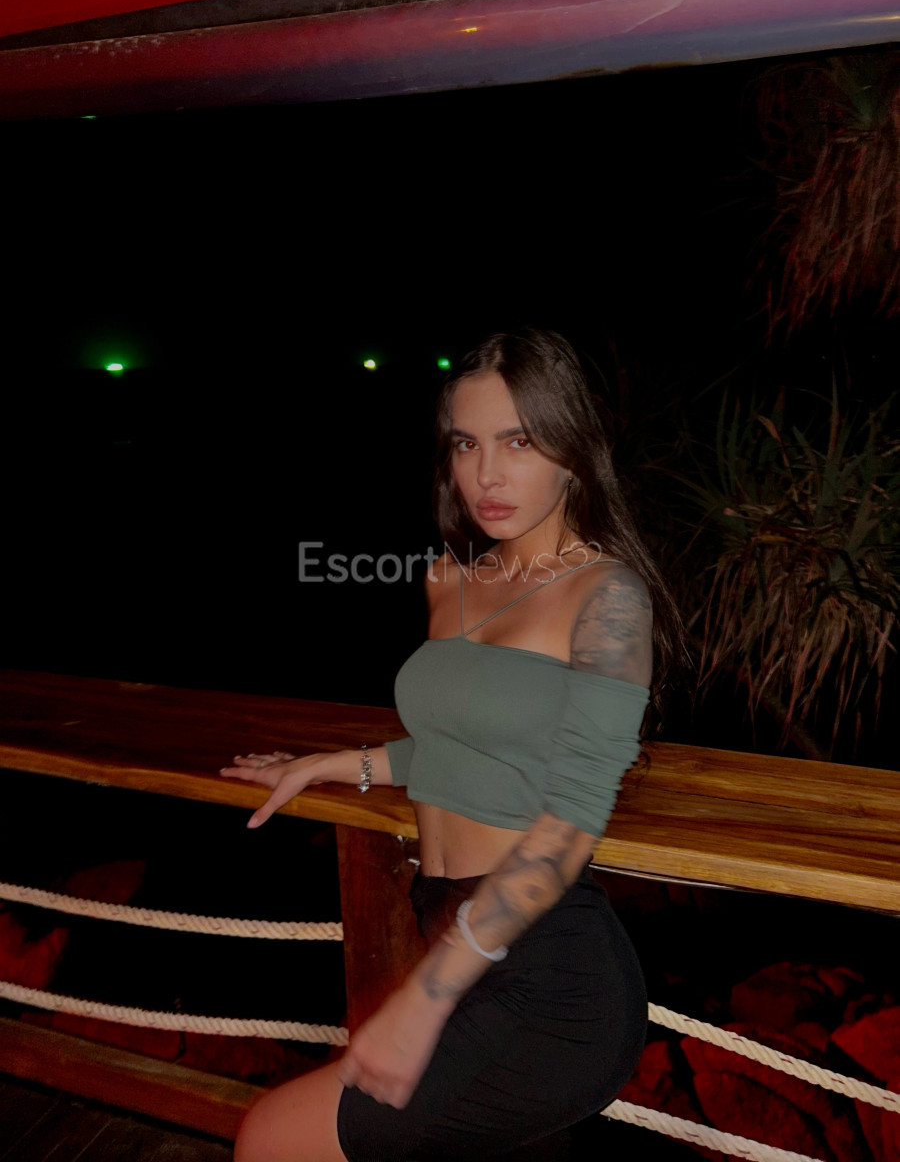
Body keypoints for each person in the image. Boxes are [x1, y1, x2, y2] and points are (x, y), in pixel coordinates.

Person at [221, 327, 684, 1162]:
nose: (487, 474)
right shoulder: (450, 577)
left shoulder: (607, 596)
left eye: (520, 441)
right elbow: (462, 741)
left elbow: (574, 819)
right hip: (447, 931)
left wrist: (426, 996)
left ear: (574, 453)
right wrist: (339, 764)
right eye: (467, 443)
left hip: (546, 972)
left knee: (270, 1137)